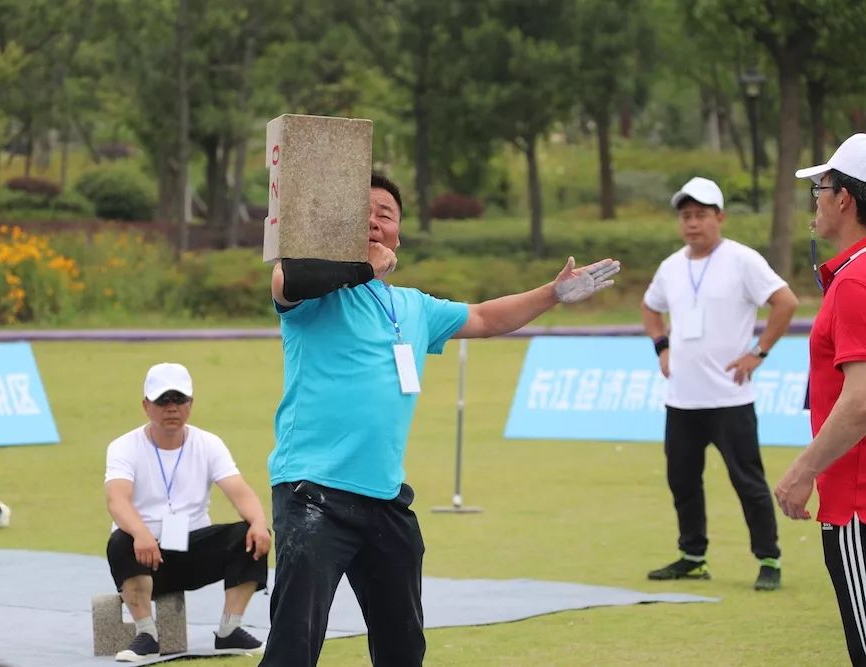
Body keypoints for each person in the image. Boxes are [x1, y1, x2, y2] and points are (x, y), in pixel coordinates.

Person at [259, 172, 621, 667]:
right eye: (360, 213)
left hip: (384, 500)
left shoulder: (412, 306)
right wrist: (361, 268)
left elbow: (487, 318)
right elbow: (285, 280)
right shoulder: (317, 295)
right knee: (293, 647)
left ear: (399, 234)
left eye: (385, 214)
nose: (373, 221)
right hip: (313, 494)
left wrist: (553, 293)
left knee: (404, 647)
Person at [641, 176, 798, 591]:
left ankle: (769, 558)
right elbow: (650, 307)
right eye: (686, 216)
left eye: (701, 216)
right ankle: (693, 556)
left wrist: (758, 352)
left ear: (720, 218)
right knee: (683, 483)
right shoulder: (671, 267)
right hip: (682, 400)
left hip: (730, 398)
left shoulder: (742, 260)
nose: (693, 224)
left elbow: (786, 302)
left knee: (748, 482)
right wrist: (661, 347)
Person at [105, 362, 271, 662]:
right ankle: (146, 634)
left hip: (191, 548)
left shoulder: (208, 443)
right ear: (146, 406)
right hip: (143, 553)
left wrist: (259, 522)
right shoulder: (123, 446)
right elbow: (117, 500)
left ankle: (229, 631)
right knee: (120, 540)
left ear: (190, 404)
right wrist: (141, 534)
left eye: (179, 399)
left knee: (251, 534)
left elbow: (240, 491)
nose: (172, 408)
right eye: (162, 400)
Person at [775, 133, 866, 665]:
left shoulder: (855, 282)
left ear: (845, 199)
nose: (816, 199)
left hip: (857, 505)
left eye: (820, 187)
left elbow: (859, 401)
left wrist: (803, 470)